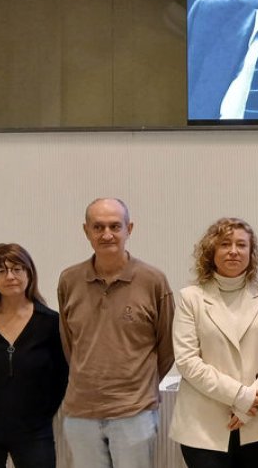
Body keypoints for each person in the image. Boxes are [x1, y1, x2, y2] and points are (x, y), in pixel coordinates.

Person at [57, 197, 175, 468]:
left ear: (129, 229)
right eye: (98, 227)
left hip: (134, 413)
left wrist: (140, 387)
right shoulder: (69, 280)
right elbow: (69, 343)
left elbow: (167, 346)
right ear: (86, 231)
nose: (107, 234)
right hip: (81, 412)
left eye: (115, 226)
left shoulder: (153, 280)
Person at [170, 217, 258, 467]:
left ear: (251, 252)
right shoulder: (191, 298)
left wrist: (250, 403)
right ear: (212, 250)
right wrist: (239, 396)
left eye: (241, 245)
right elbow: (187, 361)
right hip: (203, 424)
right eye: (225, 244)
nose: (234, 251)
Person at [0, 243, 68, 468]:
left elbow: (61, 377)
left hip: (33, 430)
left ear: (29, 273)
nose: (10, 276)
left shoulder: (50, 323)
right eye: (1, 270)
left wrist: (41, 412)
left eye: (17, 269)